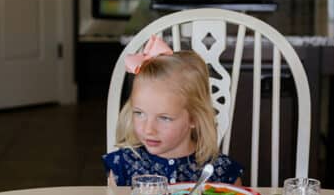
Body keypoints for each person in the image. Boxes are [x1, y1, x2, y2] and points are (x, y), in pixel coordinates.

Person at [103, 36, 243, 187]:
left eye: (164, 118)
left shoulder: (220, 171)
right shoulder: (123, 166)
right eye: (139, 113)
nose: (148, 129)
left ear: (194, 118)